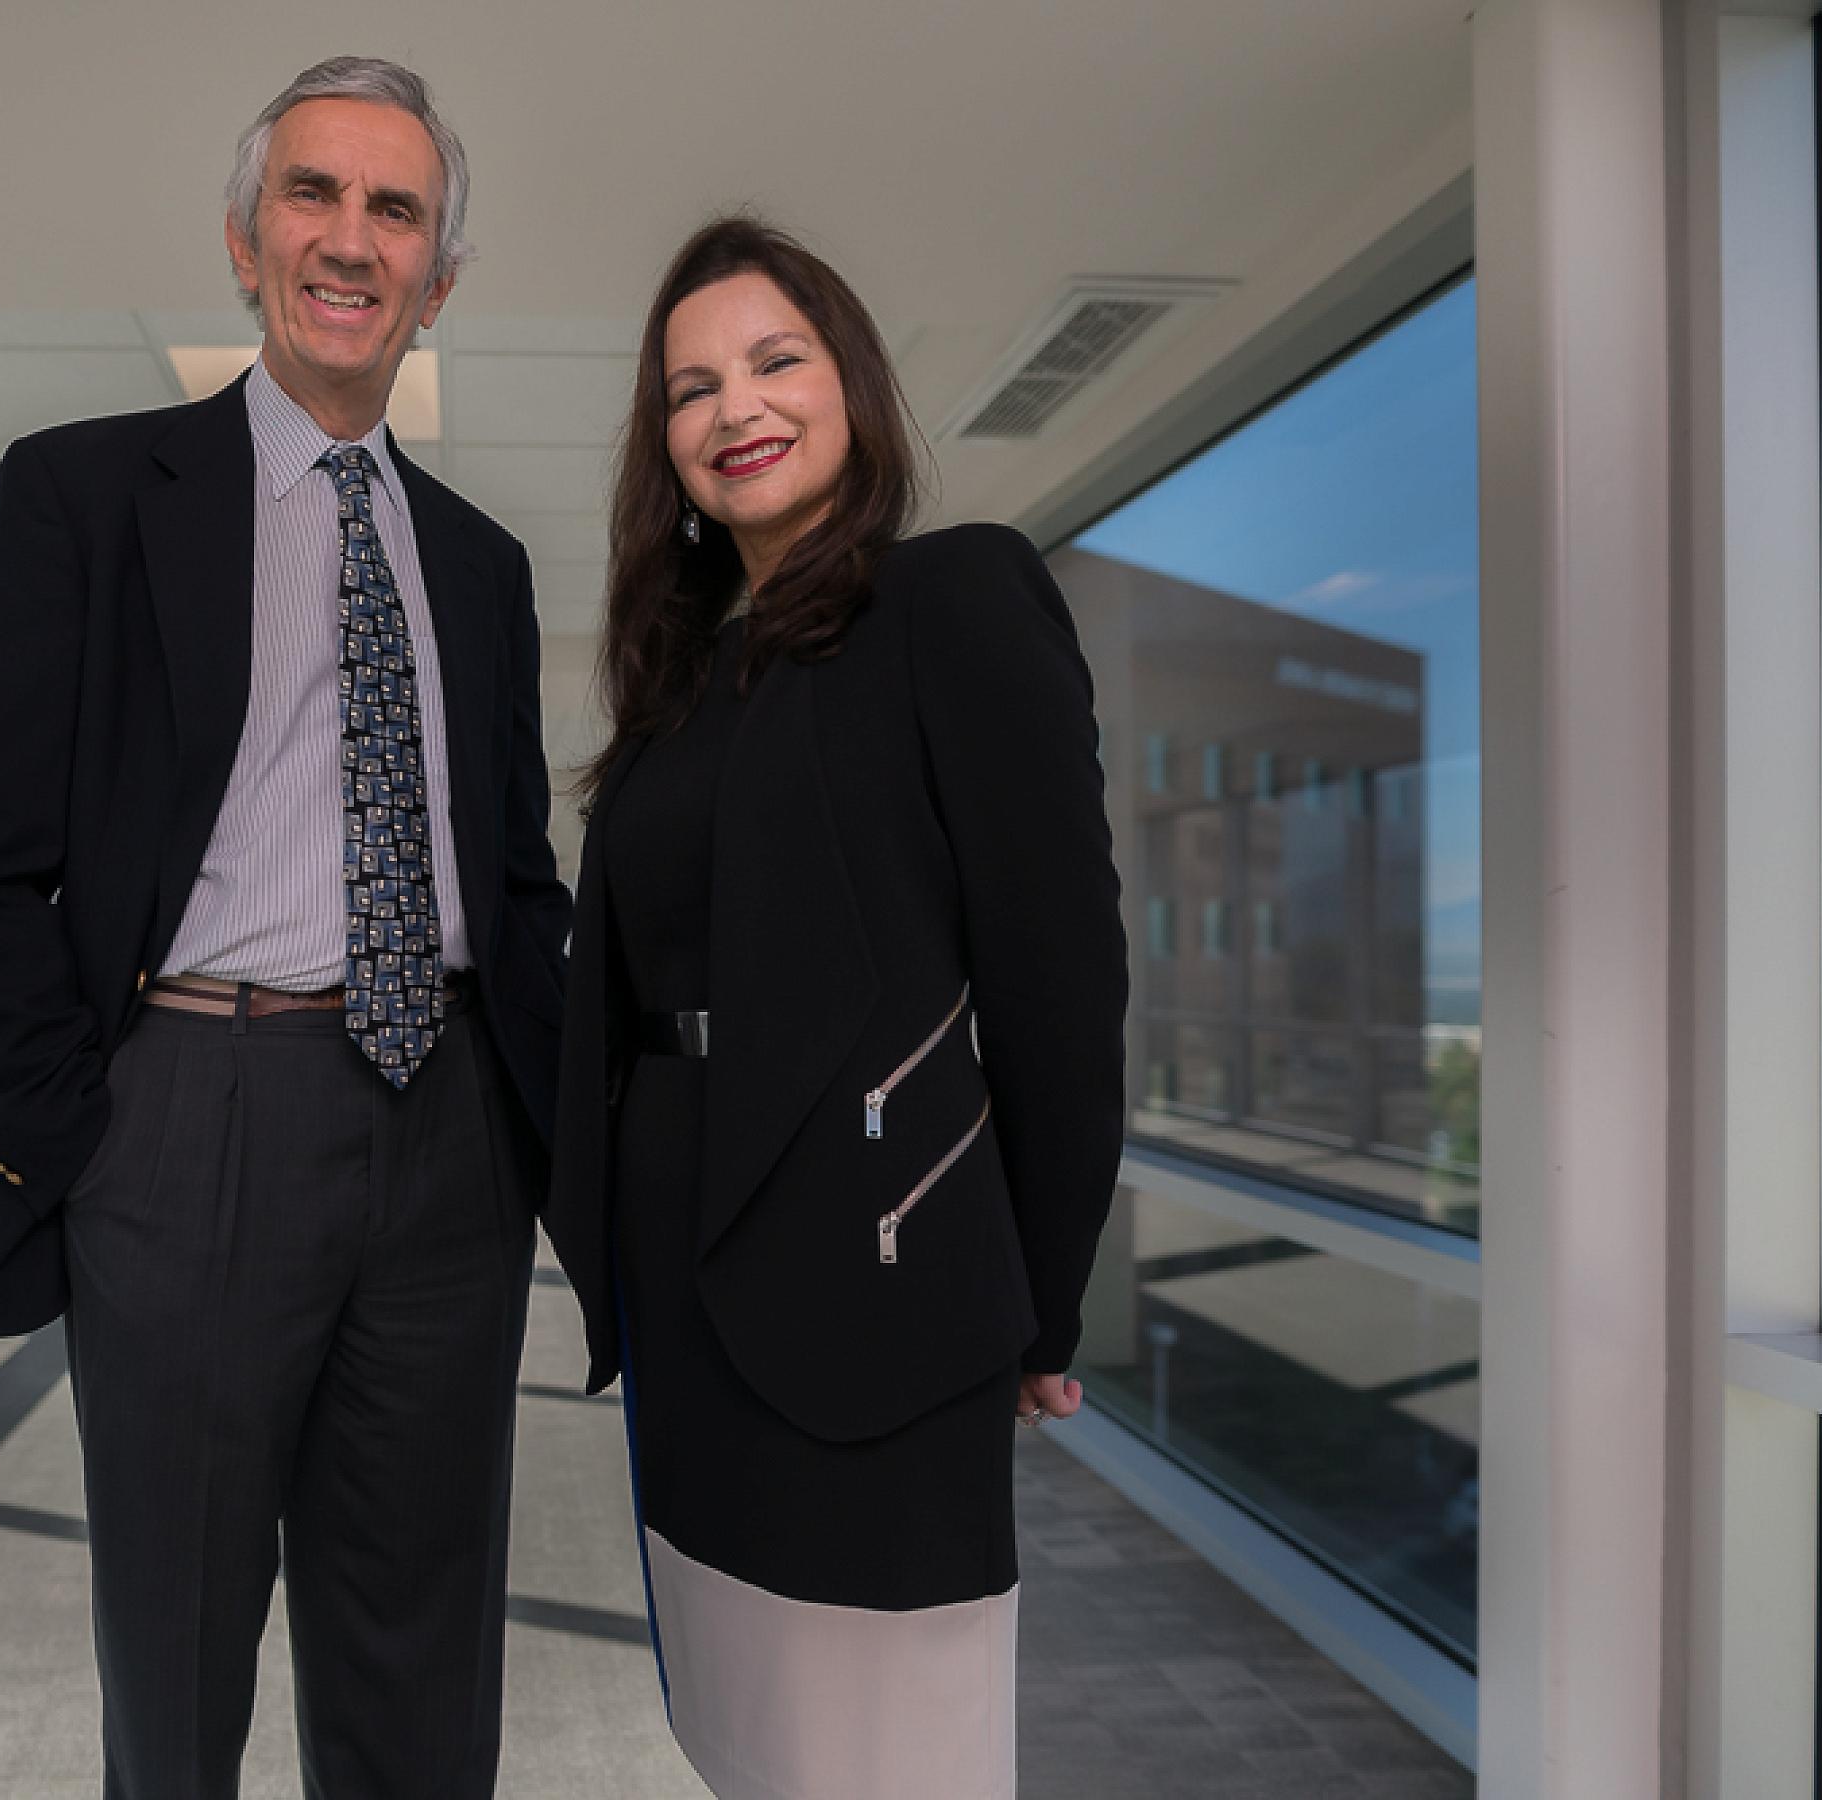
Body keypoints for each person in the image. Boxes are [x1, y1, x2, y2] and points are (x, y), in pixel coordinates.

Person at [0, 57, 569, 1800]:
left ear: (440, 279)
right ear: (242, 236)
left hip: (447, 1153)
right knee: (180, 1677)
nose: (351, 240)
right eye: (315, 195)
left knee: (424, 1680)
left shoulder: (486, 567)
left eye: (396, 211)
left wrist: (543, 1136)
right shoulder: (86, 496)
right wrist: (80, 1135)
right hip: (188, 1122)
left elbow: (518, 885)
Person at [541, 216, 1128, 1800]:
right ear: (662, 445)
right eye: (691, 386)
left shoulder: (957, 599)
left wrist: (1045, 1298)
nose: (735, 405)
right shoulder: (680, 685)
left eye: (775, 361)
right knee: (748, 1743)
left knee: (888, 1752)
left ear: (853, 383)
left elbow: (1060, 988)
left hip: (874, 1286)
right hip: (690, 1289)